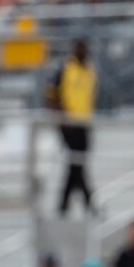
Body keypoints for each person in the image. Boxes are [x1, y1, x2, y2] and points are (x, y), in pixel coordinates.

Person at [51, 39, 97, 215]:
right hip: (68, 124)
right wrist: (60, 118)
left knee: (77, 165)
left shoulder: (90, 70)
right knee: (76, 163)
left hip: (84, 124)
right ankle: (87, 205)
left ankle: (65, 205)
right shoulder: (65, 68)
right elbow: (52, 95)